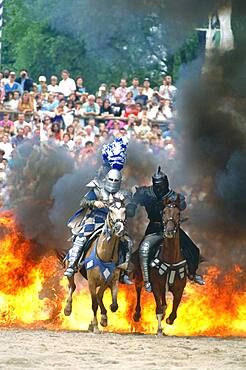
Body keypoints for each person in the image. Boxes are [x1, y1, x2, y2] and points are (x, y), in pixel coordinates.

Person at [132, 167, 205, 292]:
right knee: (143, 250)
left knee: (193, 249)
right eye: (157, 185)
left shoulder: (173, 196)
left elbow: (182, 204)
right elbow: (134, 199)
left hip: (172, 228)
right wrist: (131, 205)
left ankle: (192, 273)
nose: (159, 188)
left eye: (161, 185)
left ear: (166, 183)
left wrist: (175, 203)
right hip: (154, 228)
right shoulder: (146, 193)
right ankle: (145, 279)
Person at [64, 168, 132, 280]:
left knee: (127, 242)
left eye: (116, 180)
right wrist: (94, 202)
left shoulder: (123, 194)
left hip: (113, 222)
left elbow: (130, 210)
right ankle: (72, 265)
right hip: (95, 220)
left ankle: (123, 272)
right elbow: (83, 202)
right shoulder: (97, 189)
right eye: (111, 179)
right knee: (81, 238)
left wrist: (128, 207)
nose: (113, 182)